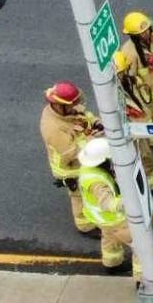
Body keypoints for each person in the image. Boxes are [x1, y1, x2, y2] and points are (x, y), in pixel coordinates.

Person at [40, 82, 104, 238]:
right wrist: (91, 140)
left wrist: (96, 122)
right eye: (73, 104)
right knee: (79, 195)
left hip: (86, 157)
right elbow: (70, 152)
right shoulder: (53, 128)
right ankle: (85, 225)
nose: (76, 105)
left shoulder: (66, 110)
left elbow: (83, 115)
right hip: (71, 168)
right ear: (60, 105)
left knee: (90, 190)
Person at [112, 47, 153, 197]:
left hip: (142, 124)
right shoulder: (113, 96)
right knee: (144, 156)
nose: (121, 75)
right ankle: (152, 185)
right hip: (133, 132)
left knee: (145, 154)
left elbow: (144, 99)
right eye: (119, 73)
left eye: (122, 72)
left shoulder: (131, 81)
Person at [75, 138, 131, 275]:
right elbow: (108, 203)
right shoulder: (97, 182)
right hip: (114, 219)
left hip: (102, 220)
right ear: (102, 161)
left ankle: (112, 264)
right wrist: (129, 200)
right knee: (142, 247)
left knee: (110, 241)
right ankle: (145, 279)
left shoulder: (88, 168)